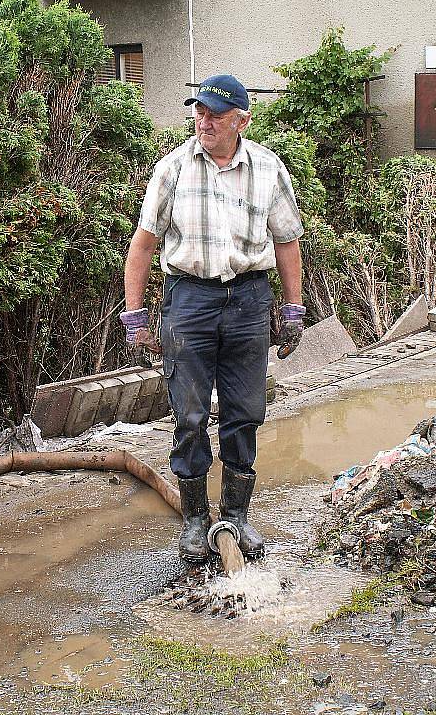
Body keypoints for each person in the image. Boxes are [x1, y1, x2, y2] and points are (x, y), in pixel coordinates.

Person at [120, 74, 304, 563]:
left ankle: (237, 515)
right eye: (199, 113)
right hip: (189, 302)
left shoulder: (268, 169)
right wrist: (134, 315)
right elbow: (143, 245)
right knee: (190, 413)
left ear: (242, 120)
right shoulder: (173, 168)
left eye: (216, 116)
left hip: (247, 301)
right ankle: (197, 518)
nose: (204, 123)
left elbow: (287, 241)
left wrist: (292, 309)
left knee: (245, 411)